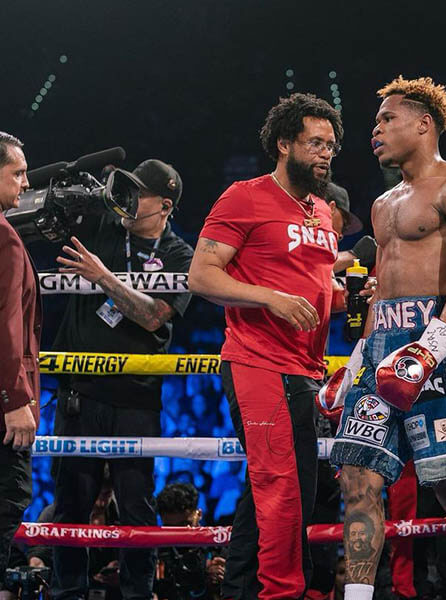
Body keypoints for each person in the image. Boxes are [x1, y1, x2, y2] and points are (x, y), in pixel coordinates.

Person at [325, 76, 446, 600]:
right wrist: (355, 362)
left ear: (424, 124)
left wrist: (429, 348)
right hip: (380, 350)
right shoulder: (381, 204)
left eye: (386, 120)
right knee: (357, 479)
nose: (374, 131)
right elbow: (381, 293)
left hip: (436, 350)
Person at [188, 92, 344, 599]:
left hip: (307, 367)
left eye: (331, 144)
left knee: (276, 490)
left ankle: (239, 591)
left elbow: (314, 287)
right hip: (259, 361)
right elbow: (201, 276)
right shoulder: (245, 196)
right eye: (315, 142)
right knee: (284, 489)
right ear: (283, 144)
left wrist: (345, 299)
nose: (326, 153)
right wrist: (269, 299)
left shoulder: (321, 211)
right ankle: (282, 593)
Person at [50, 159, 194, 600]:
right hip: (79, 393)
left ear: (164, 205)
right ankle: (66, 593)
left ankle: (138, 594)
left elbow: (154, 317)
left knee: (135, 505)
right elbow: (52, 220)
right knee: (72, 503)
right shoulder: (102, 227)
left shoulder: (179, 256)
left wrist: (103, 278)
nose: (128, 200)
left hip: (135, 399)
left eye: (139, 193)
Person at [0, 132, 40, 600]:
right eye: (18, 173)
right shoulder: (5, 239)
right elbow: (7, 322)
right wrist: (15, 398)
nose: (27, 182)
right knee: (7, 502)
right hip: (4, 400)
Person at [155, 483, 225, 600]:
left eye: (184, 525)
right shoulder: (154, 552)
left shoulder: (216, 547)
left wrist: (224, 580)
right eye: (171, 528)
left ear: (199, 514)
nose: (178, 534)